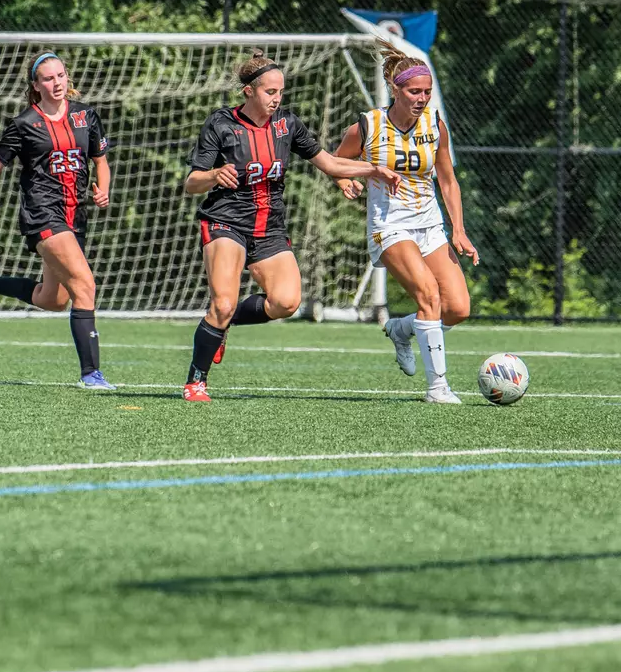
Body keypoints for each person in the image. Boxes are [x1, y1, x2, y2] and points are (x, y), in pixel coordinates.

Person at [181, 50, 400, 402]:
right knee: (222, 303)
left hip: (269, 229)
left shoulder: (287, 125)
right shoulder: (221, 124)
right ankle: (195, 382)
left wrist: (371, 169)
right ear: (249, 91)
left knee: (286, 302)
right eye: (270, 92)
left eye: (280, 92)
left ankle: (221, 326)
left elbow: (329, 162)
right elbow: (191, 182)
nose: (277, 98)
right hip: (226, 222)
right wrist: (211, 175)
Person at [334, 44, 478, 404]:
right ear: (396, 90)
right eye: (415, 91)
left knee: (458, 308)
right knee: (428, 294)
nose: (422, 98)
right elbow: (337, 160)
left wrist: (458, 230)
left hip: (429, 225)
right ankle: (438, 388)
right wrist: (344, 180)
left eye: (427, 91)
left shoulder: (435, 125)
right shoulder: (368, 125)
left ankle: (401, 328)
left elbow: (447, 180)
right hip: (390, 225)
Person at [0, 50, 115, 390]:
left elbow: (101, 160)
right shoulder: (24, 124)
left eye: (60, 76)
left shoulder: (86, 116)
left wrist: (102, 190)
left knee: (54, 300)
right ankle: (91, 374)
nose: (56, 83)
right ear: (36, 86)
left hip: (75, 215)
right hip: (42, 215)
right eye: (48, 78)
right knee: (85, 285)